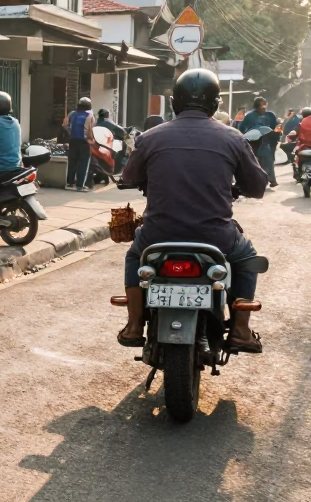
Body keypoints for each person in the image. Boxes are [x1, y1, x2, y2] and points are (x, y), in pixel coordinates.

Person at [117, 69, 268, 353]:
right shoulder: (233, 138)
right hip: (217, 239)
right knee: (247, 258)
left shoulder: (150, 137)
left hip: (157, 236)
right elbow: (257, 187)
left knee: (135, 257)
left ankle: (135, 324)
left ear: (175, 102)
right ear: (215, 104)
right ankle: (239, 330)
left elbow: (129, 177)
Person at [238, 96, 280, 187]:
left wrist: (275, 137)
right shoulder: (249, 116)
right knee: (255, 162)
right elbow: (241, 128)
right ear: (257, 106)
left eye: (264, 106)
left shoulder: (271, 115)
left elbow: (275, 127)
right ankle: (256, 181)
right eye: (261, 106)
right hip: (253, 142)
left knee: (268, 160)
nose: (263, 108)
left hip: (267, 142)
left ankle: (271, 180)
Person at [63, 97, 95, 191]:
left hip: (73, 141)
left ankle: (69, 183)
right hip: (84, 142)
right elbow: (91, 130)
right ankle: (80, 185)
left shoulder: (72, 114)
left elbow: (65, 125)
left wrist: (70, 134)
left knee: (72, 162)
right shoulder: (90, 115)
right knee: (83, 163)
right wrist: (91, 140)